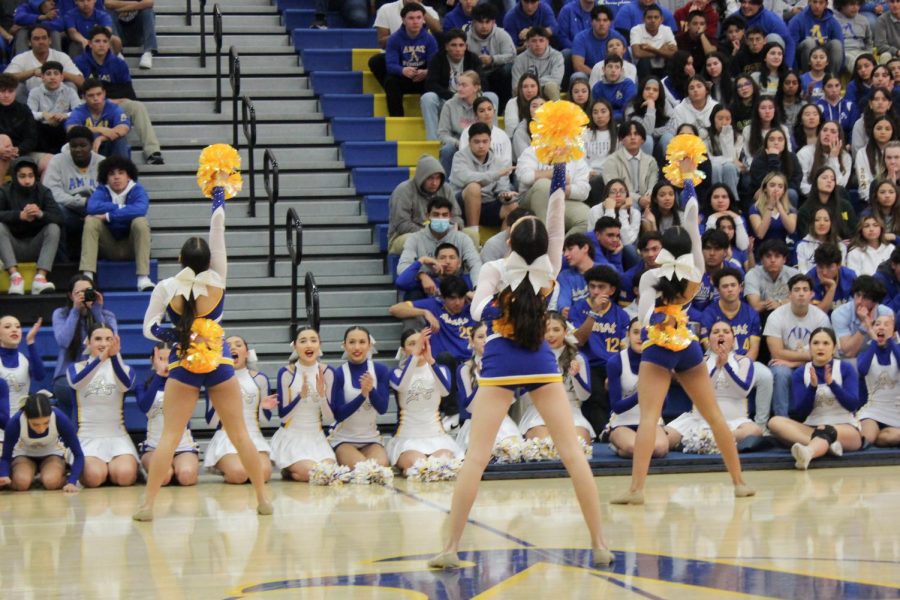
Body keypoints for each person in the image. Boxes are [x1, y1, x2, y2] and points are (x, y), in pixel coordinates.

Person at [428, 141, 613, 569]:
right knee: (571, 454)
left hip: (498, 362)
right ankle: (600, 542)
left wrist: (493, 308)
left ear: (509, 240)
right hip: (539, 360)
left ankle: (450, 548)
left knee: (477, 457)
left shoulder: (495, 269)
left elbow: (477, 311)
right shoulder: (549, 266)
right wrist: (561, 168)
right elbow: (555, 214)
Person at [610, 154, 753, 505]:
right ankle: (738, 482)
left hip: (659, 349)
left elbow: (643, 319)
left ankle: (636, 490)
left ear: (661, 251)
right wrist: (688, 180)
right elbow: (692, 219)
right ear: (688, 250)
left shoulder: (650, 277)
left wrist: (652, 320)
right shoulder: (695, 273)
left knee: (648, 419)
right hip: (687, 346)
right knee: (714, 415)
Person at [136, 180, 272, 521]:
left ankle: (148, 506)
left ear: (180, 259)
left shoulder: (167, 286)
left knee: (170, 435)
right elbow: (218, 229)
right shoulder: (218, 279)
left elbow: (148, 328)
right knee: (240, 434)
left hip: (183, 363)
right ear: (209, 259)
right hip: (220, 361)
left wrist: (176, 335)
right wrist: (218, 197)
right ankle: (262, 498)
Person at [768, 327, 863, 469]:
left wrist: (832, 384)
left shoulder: (845, 368)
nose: (820, 347)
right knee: (775, 422)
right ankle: (826, 447)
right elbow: (801, 412)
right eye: (816, 343)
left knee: (827, 430)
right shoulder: (801, 373)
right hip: (812, 427)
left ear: (834, 348)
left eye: (826, 343)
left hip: (845, 428)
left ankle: (809, 452)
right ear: (810, 347)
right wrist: (812, 388)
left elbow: (852, 404)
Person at [73, 26, 164, 165]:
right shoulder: (79, 62)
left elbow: (127, 93)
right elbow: (79, 91)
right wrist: (106, 96)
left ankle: (152, 151)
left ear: (109, 44)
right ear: (90, 43)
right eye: (97, 41)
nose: (101, 44)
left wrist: (108, 99)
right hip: (87, 105)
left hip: (112, 104)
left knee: (137, 106)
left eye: (105, 41)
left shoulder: (119, 64)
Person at [666, 320, 763, 450]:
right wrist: (717, 369)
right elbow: (700, 392)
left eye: (726, 332)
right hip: (698, 420)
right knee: (665, 437)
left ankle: (706, 440)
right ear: (709, 341)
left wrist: (726, 366)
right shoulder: (699, 362)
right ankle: (711, 440)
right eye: (715, 332)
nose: (720, 335)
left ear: (733, 340)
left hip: (735, 422)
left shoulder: (744, 361)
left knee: (754, 431)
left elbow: (742, 391)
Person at [67, 322, 138, 487]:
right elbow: (77, 383)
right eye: (98, 339)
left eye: (108, 339)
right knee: (93, 477)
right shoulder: (75, 368)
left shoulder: (126, 369)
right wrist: (100, 359)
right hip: (87, 437)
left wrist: (113, 357)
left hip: (117, 437)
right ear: (88, 342)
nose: (104, 343)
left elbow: (125, 385)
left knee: (125, 476)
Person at [699, 268, 773, 427]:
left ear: (740, 287)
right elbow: (708, 346)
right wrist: (722, 360)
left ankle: (761, 425)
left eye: (733, 285)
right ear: (718, 290)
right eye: (725, 286)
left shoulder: (751, 313)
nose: (730, 289)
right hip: (715, 361)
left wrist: (741, 365)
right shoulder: (709, 313)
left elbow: (754, 348)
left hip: (743, 361)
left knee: (766, 375)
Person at [388, 328, 463, 475]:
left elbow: (445, 391)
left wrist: (431, 361)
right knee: (417, 466)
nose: (418, 347)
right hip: (407, 439)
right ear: (403, 350)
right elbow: (402, 386)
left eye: (422, 343)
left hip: (437, 437)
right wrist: (414, 357)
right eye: (412, 344)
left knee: (442, 465)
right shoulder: (396, 373)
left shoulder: (440, 369)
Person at [203, 336, 274, 483]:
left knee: (263, 474)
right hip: (226, 437)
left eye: (238, 345)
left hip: (253, 436)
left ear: (247, 353)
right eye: (228, 345)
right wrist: (220, 398)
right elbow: (210, 423)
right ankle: (227, 467)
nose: (233, 348)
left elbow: (265, 421)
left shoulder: (260, 379)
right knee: (238, 474)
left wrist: (264, 408)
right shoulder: (214, 379)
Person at [570, 265, 631, 432]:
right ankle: (603, 433)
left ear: (611, 290)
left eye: (601, 287)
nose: (595, 291)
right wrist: (594, 313)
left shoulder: (621, 315)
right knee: (596, 394)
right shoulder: (578, 308)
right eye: (592, 286)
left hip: (614, 363)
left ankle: (622, 429)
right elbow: (578, 341)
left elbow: (624, 348)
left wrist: (614, 372)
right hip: (588, 364)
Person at [80, 155, 155, 291]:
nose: (116, 177)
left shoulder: (137, 189)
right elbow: (91, 207)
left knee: (140, 221)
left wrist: (108, 216)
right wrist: (120, 208)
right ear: (106, 178)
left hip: (132, 246)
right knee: (91, 221)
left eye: (121, 173)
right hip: (109, 246)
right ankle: (87, 277)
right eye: (111, 174)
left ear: (128, 176)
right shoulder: (102, 190)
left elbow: (140, 209)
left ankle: (143, 278)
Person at [271, 327, 336, 482]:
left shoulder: (327, 372)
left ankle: (293, 471)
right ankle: (292, 467)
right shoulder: (287, 373)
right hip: (292, 437)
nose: (309, 345)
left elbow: (330, 418)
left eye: (313, 340)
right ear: (295, 346)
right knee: (312, 472)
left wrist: (322, 397)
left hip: (317, 437)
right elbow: (283, 416)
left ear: (319, 345)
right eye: (303, 341)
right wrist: (300, 396)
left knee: (328, 472)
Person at [519, 312, 595, 444]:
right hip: (539, 410)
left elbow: (584, 396)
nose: (551, 335)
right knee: (544, 445)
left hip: (570, 408)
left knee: (577, 444)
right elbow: (521, 394)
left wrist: (576, 376)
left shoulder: (577, 358)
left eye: (556, 330)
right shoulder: (530, 358)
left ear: (565, 332)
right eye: (546, 330)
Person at [764, 273, 831, 417]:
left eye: (805, 290)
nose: (801, 293)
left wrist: (795, 363)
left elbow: (825, 353)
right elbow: (776, 353)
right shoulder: (776, 316)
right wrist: (808, 356)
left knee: (823, 368)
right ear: (789, 294)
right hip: (783, 363)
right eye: (796, 290)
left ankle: (819, 418)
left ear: (812, 294)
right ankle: (781, 420)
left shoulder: (821, 318)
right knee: (780, 372)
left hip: (813, 364)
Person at [51, 275, 116, 420]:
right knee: (75, 392)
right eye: (78, 293)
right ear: (70, 295)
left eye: (87, 291)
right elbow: (63, 341)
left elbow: (112, 344)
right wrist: (75, 311)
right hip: (66, 376)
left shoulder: (107, 316)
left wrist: (97, 311)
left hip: (99, 374)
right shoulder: (61, 314)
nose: (83, 296)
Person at [135, 343, 199, 487]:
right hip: (154, 447)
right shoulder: (143, 386)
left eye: (170, 359)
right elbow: (146, 407)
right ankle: (163, 469)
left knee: (186, 477)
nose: (166, 364)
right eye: (161, 359)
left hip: (182, 446)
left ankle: (181, 468)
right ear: (153, 361)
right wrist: (159, 375)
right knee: (162, 478)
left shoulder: (187, 383)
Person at [605, 317, 669, 458]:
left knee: (659, 449)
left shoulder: (658, 360)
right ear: (628, 334)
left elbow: (663, 405)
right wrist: (642, 393)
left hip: (651, 420)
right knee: (635, 449)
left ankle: (623, 447)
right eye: (635, 332)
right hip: (623, 422)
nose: (640, 337)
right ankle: (616, 442)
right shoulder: (615, 362)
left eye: (644, 332)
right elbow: (616, 406)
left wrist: (659, 391)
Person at [328, 326, 391, 468]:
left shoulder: (380, 370)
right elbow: (339, 414)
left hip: (371, 439)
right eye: (352, 342)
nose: (357, 347)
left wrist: (371, 391)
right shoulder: (339, 373)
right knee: (361, 468)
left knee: (379, 467)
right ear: (344, 345)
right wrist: (362, 395)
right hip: (344, 439)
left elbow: (382, 409)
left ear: (370, 345)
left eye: (362, 342)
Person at [0, 156, 62, 294]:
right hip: (11, 247)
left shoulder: (43, 191)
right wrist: (18, 216)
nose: (27, 181)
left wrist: (41, 214)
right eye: (22, 176)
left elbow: (59, 218)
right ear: (15, 177)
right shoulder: (5, 191)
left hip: (37, 247)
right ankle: (15, 277)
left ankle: (40, 278)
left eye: (30, 176)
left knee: (53, 228)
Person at [455, 321, 521, 449]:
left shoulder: (504, 365)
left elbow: (511, 400)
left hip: (502, 421)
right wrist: (482, 379)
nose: (485, 340)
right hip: (476, 422)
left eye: (489, 336)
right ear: (471, 341)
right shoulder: (464, 369)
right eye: (480, 337)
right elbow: (469, 408)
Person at [0, 393, 83, 493]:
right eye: (35, 424)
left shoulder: (60, 418)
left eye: (46, 423)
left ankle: (55, 475)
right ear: (26, 416)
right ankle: (33, 478)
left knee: (51, 482)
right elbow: (5, 457)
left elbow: (78, 454)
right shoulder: (15, 422)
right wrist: (4, 475)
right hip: (24, 455)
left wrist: (72, 481)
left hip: (52, 455)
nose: (41, 429)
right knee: (21, 483)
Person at [41, 126, 101, 260]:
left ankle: (99, 261)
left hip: (96, 211)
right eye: (74, 146)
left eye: (83, 145)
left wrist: (93, 207)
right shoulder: (57, 161)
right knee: (55, 213)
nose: (78, 150)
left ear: (91, 145)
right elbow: (51, 193)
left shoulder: (102, 162)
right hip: (69, 210)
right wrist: (81, 202)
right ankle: (63, 262)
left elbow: (109, 193)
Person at [387, 154, 464, 255]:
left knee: (471, 235)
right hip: (405, 236)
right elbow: (402, 224)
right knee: (413, 241)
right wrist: (431, 234)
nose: (434, 183)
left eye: (438, 178)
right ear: (421, 177)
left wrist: (453, 227)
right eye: (430, 178)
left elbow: (456, 216)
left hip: (444, 233)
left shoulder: (446, 189)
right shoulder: (403, 190)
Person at [420, 30, 485, 144]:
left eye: (461, 45)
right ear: (446, 47)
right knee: (427, 98)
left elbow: (482, 82)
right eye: (453, 45)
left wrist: (470, 95)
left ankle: (486, 136)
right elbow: (430, 84)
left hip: (470, 101)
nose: (458, 49)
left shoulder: (473, 59)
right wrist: (452, 96)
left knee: (491, 96)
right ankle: (433, 141)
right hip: (446, 99)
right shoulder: (437, 58)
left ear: (466, 46)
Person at [449, 121, 517, 228]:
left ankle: (501, 242)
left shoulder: (497, 161)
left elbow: (502, 188)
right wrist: (496, 174)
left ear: (490, 141)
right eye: (477, 142)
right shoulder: (459, 157)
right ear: (469, 142)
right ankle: (473, 233)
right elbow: (466, 178)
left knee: (512, 206)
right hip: (461, 205)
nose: (481, 146)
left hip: (487, 203)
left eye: (485, 141)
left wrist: (505, 196)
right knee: (474, 187)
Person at [396, 197, 481, 281]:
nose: (440, 218)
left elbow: (475, 264)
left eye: (444, 215)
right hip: (424, 285)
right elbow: (402, 267)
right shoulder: (415, 239)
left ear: (450, 216)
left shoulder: (462, 238)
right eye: (436, 214)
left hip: (454, 285)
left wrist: (477, 289)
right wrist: (421, 276)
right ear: (427, 216)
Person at [517, 144, 591, 236]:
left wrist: (559, 186)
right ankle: (545, 240)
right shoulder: (533, 150)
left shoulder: (575, 155)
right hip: (530, 199)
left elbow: (583, 191)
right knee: (544, 185)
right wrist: (557, 174)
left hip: (562, 199)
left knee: (588, 217)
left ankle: (563, 248)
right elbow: (525, 177)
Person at [383, 4, 438, 118]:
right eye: (411, 18)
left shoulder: (430, 39)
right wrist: (402, 70)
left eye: (419, 18)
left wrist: (427, 71)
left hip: (422, 77)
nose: (415, 21)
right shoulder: (394, 39)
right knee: (390, 81)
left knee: (434, 79)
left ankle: (431, 118)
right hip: (404, 77)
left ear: (423, 20)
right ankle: (397, 119)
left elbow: (435, 64)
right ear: (403, 20)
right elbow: (390, 65)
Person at [857, 315, 900, 446]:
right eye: (877, 324)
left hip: (896, 410)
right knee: (867, 437)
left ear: (894, 331)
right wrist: (875, 342)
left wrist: (891, 341)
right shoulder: (866, 351)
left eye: (887, 324)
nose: (881, 327)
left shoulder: (897, 349)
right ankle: (873, 435)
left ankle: (882, 436)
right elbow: (862, 369)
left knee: (893, 437)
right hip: (873, 409)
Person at [4, 24, 83, 95]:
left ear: (50, 40)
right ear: (29, 42)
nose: (41, 42)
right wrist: (32, 72)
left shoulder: (61, 57)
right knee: (18, 88)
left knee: (70, 85)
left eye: (44, 38)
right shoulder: (21, 58)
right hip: (29, 101)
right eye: (36, 39)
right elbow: (5, 79)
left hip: (59, 102)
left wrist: (57, 73)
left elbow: (81, 81)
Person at [64, 78, 130, 159]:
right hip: (87, 149)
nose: (95, 98)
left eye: (99, 94)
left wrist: (101, 138)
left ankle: (121, 168)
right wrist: (99, 129)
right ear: (84, 97)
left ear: (104, 94)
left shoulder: (113, 108)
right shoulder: (79, 111)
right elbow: (70, 129)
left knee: (120, 138)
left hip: (108, 146)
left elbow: (124, 128)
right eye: (91, 95)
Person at [831, 275, 894, 358]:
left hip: (876, 358)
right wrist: (864, 326)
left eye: (865, 297)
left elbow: (886, 348)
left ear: (875, 302)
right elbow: (848, 354)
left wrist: (870, 329)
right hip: (847, 361)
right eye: (857, 295)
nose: (858, 301)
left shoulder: (886, 313)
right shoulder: (839, 314)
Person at [26, 61, 81, 154]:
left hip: (63, 127)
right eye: (48, 74)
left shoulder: (70, 91)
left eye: (56, 73)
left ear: (62, 77)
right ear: (42, 77)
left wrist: (65, 115)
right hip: (42, 128)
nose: (52, 77)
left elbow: (79, 111)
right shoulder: (35, 92)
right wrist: (43, 115)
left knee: (74, 125)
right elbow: (29, 113)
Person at [467, 4, 515, 108]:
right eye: (480, 22)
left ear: (493, 22)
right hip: (477, 73)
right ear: (473, 22)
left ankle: (504, 107)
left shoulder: (502, 34)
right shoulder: (466, 38)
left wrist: (493, 59)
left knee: (508, 69)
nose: (484, 26)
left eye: (487, 22)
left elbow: (512, 55)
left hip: (497, 71)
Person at [602, 120, 658, 209]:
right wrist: (639, 199)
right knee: (632, 206)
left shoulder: (651, 161)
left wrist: (648, 197)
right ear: (621, 139)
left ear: (643, 140)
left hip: (647, 200)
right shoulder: (611, 161)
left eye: (636, 134)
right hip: (622, 200)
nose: (632, 137)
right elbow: (612, 188)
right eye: (628, 135)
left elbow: (653, 185)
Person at [0, 73, 40, 182]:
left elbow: (32, 138)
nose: (6, 95)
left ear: (15, 91)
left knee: (50, 160)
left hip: (20, 153)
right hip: (2, 153)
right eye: (2, 91)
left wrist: (18, 149)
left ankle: (42, 196)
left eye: (10, 91)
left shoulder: (24, 109)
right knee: (4, 140)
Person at [0, 315, 45, 411]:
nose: (14, 330)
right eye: (7, 327)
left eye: (17, 326)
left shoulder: (25, 360)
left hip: (22, 418)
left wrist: (30, 341)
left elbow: (40, 376)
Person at [788, 0, 845, 73]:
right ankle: (808, 77)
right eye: (814, 2)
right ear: (809, 2)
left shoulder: (833, 22)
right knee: (809, 43)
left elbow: (841, 46)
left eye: (821, 3)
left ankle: (831, 78)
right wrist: (793, 70)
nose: (817, 6)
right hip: (803, 58)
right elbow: (791, 46)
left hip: (824, 56)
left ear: (826, 4)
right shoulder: (797, 20)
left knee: (836, 44)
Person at [509, 27, 563, 101]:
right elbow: (516, 85)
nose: (538, 44)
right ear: (527, 43)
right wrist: (530, 87)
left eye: (541, 40)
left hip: (546, 91)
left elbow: (556, 79)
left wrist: (533, 83)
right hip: (527, 92)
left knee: (551, 86)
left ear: (547, 42)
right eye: (534, 41)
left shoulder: (557, 56)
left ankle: (557, 111)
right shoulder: (520, 59)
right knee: (519, 90)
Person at [572, 6, 626, 78]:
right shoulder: (580, 38)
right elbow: (578, 66)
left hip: (614, 76)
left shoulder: (618, 38)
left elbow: (625, 64)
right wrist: (599, 76)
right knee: (577, 76)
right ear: (591, 22)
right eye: (598, 20)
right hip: (590, 75)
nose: (601, 23)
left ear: (610, 22)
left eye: (605, 20)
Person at [104, 0, 159, 69]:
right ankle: (117, 53)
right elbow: (108, 3)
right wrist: (136, 4)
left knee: (148, 11)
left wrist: (121, 8)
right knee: (107, 13)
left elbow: (149, 3)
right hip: (118, 34)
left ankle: (148, 52)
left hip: (136, 32)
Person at [628, 4, 677, 79]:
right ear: (643, 19)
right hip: (644, 69)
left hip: (663, 67)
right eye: (649, 17)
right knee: (644, 61)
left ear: (661, 19)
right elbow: (637, 53)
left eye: (656, 17)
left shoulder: (667, 30)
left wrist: (652, 49)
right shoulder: (636, 30)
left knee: (672, 61)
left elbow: (674, 53)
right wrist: (662, 51)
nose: (653, 20)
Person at [808, 242, 858, 314]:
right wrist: (832, 288)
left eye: (829, 267)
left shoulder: (850, 276)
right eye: (820, 267)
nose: (824, 272)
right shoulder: (810, 279)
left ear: (839, 265)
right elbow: (816, 316)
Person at [795, 207, 846, 273]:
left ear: (832, 223)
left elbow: (841, 270)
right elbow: (802, 271)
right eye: (817, 220)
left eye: (826, 220)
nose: (821, 223)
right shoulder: (802, 245)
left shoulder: (840, 246)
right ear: (812, 223)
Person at [590, 55, 635, 120]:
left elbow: (628, 107)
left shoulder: (628, 84)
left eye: (617, 67)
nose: (613, 70)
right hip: (602, 120)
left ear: (621, 70)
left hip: (623, 120)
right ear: (603, 69)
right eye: (610, 67)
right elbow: (596, 109)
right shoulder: (597, 87)